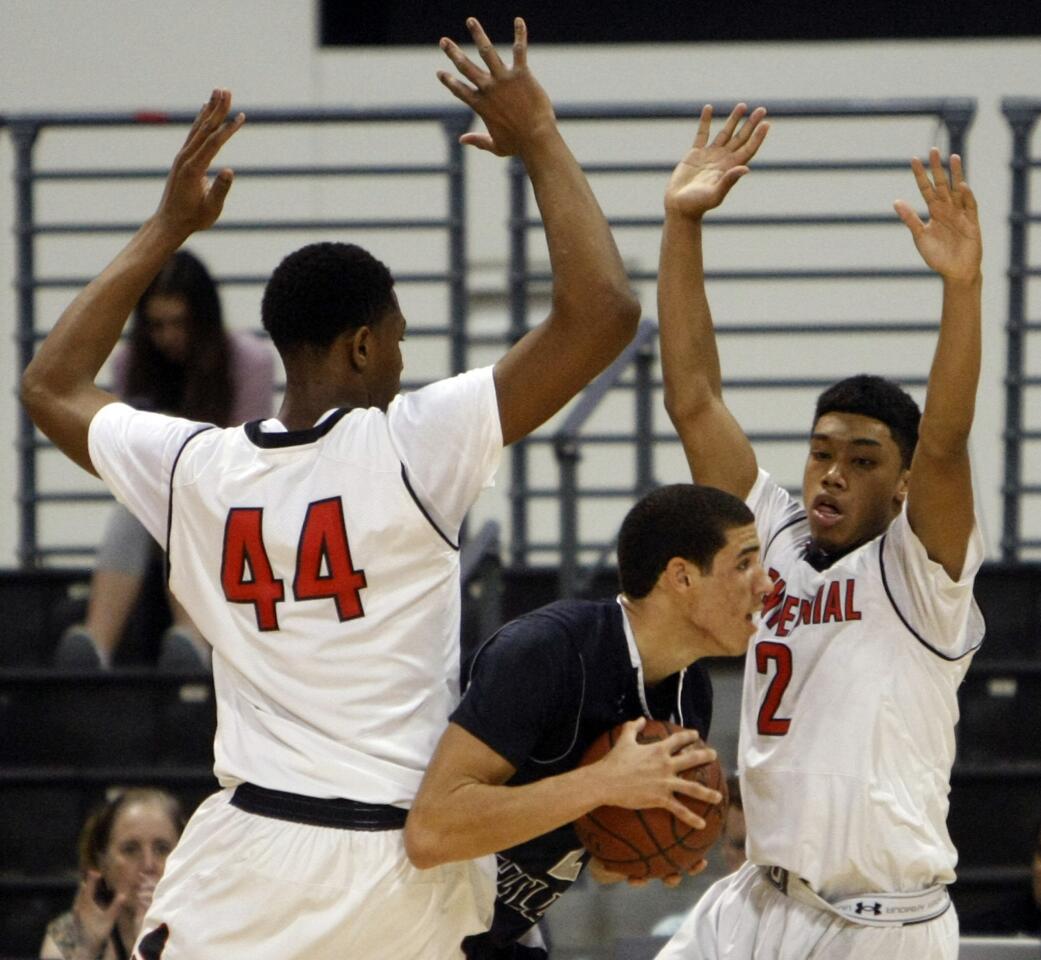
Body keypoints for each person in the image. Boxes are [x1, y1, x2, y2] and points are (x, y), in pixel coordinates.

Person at [19, 16, 640, 960]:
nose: (403, 359)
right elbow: (603, 313)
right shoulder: (413, 443)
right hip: (397, 860)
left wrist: (169, 226)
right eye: (396, 338)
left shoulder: (198, 465)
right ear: (361, 345)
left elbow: (49, 385)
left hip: (249, 857)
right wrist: (541, 138)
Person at [655, 103, 985, 958]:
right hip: (757, 898)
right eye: (820, 453)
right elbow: (693, 399)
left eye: (863, 460)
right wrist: (680, 223)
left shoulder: (919, 574)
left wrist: (961, 288)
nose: (833, 471)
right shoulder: (768, 537)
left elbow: (945, 442)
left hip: (880, 927)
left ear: (902, 482)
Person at [405, 483, 772, 958]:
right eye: (744, 564)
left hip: (493, 933)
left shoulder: (690, 694)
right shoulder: (547, 652)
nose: (765, 584)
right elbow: (430, 831)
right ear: (680, 577)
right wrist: (603, 784)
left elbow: (594, 852)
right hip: (398, 923)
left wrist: (646, 848)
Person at [55, 249, 274, 672]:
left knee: (175, 497)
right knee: (142, 505)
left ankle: (190, 637)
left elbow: (247, 458)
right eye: (157, 325)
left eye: (180, 324)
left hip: (225, 507)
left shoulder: (249, 359)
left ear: (202, 321)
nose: (169, 336)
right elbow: (124, 462)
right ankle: (97, 644)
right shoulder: (130, 363)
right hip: (158, 504)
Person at [40, 788, 186, 960]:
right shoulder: (73, 930)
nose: (148, 865)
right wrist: (85, 952)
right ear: (102, 863)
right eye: (130, 849)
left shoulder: (207, 925)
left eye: (162, 848)